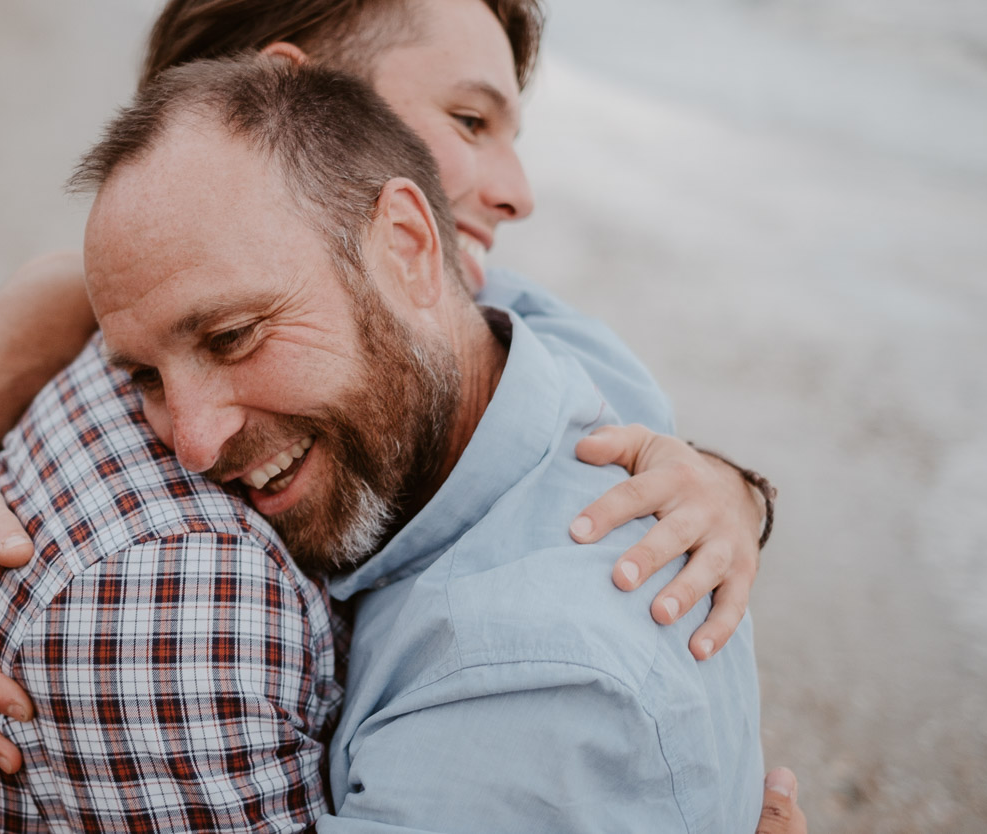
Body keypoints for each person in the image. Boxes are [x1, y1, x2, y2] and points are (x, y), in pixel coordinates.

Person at [0, 0, 776, 791]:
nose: (517, 191)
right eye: (470, 120)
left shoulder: (523, 350)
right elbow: (63, 286)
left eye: (232, 337)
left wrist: (739, 493)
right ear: (293, 91)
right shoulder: (179, 532)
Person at [71, 53, 762, 829]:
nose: (193, 443)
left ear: (407, 249)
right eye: (146, 379)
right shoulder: (522, 332)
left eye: (233, 337)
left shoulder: (532, 695)